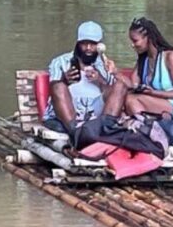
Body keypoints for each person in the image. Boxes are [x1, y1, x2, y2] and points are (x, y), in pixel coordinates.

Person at [43, 20, 129, 148]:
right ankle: (76, 133)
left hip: (95, 114)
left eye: (93, 44)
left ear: (99, 45)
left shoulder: (104, 64)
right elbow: (54, 90)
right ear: (78, 43)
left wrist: (100, 80)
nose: (88, 48)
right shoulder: (60, 61)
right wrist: (64, 80)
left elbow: (113, 95)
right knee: (58, 85)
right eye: (84, 43)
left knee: (120, 86)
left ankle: (105, 128)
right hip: (69, 114)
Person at [123, 17, 173, 125]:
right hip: (157, 104)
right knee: (124, 100)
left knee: (131, 100)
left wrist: (154, 93)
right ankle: (146, 128)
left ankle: (146, 129)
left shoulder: (171, 57)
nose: (132, 45)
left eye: (135, 41)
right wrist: (113, 72)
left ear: (148, 38)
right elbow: (132, 85)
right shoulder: (143, 59)